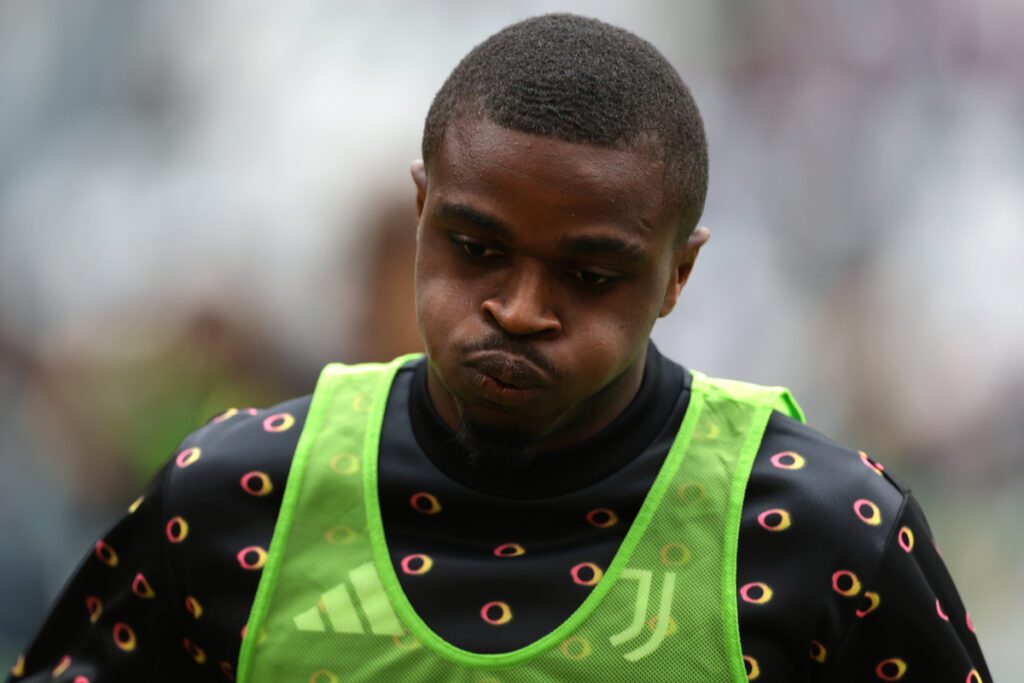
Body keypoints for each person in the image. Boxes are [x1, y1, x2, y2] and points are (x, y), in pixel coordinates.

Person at [7, 13, 990, 683]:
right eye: (475, 250)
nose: (520, 308)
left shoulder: (825, 534)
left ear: (677, 276)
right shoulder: (229, 500)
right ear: (422, 211)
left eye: (590, 274)